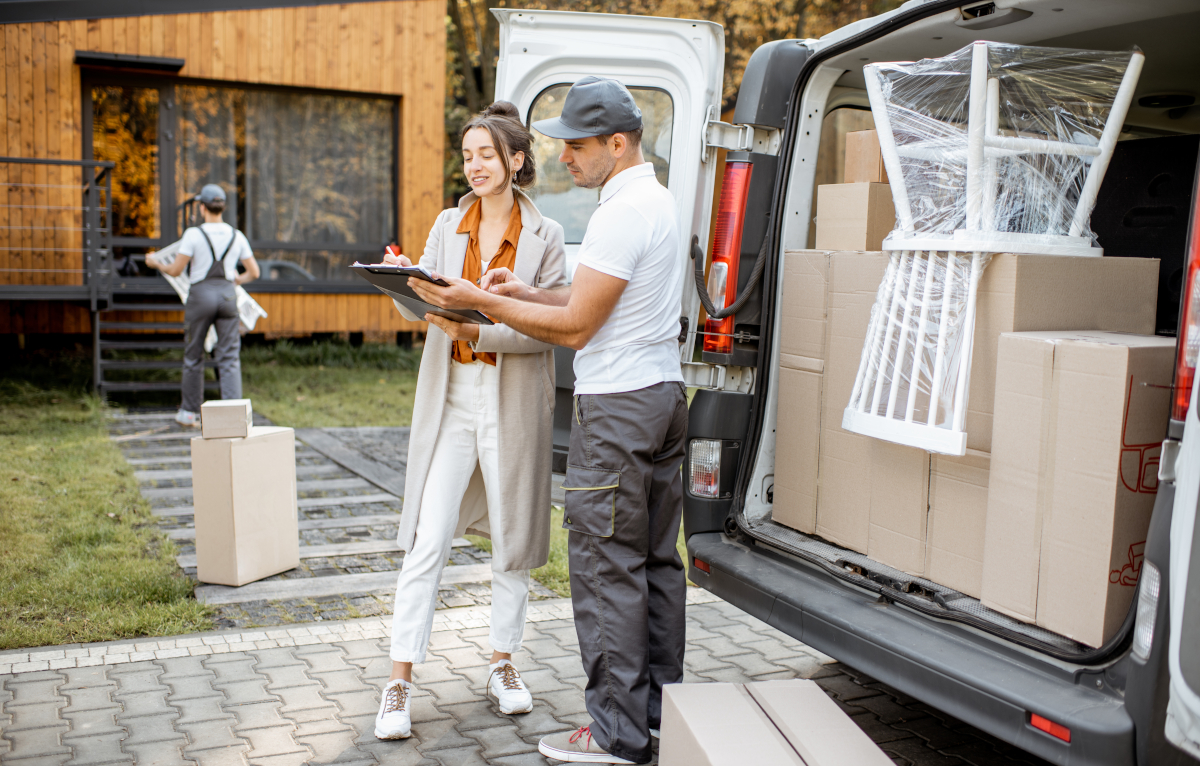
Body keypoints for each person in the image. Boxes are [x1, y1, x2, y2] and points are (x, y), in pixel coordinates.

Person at [408, 76, 687, 765]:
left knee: (605, 571)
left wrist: (485, 302)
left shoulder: (621, 212)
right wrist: (528, 289)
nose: (563, 157)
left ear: (617, 143)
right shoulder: (654, 199)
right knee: (654, 565)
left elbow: (577, 325)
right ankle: (657, 718)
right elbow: (590, 297)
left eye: (578, 147)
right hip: (659, 398)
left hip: (618, 413)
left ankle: (617, 738)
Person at [371, 101, 568, 740]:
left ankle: (503, 663)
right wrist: (406, 284)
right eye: (467, 155)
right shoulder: (448, 224)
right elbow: (421, 309)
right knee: (428, 538)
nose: (474, 165)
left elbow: (550, 330)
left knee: (511, 542)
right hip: (452, 400)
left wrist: (479, 331)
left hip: (512, 404)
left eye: (486, 154)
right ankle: (398, 681)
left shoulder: (549, 238)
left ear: (515, 161)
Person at [145, 184, 259, 428]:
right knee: (229, 357)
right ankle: (234, 418)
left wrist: (156, 263)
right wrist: (236, 279)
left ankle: (189, 413)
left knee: (194, 355)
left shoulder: (193, 235)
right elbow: (254, 272)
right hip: (228, 297)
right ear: (223, 207)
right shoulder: (236, 235)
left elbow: (176, 270)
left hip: (200, 297)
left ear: (202, 207)